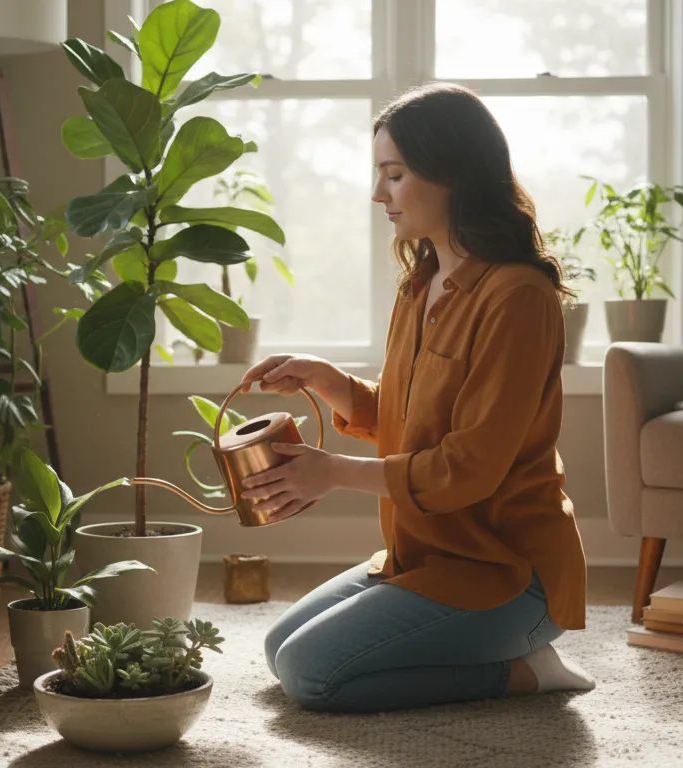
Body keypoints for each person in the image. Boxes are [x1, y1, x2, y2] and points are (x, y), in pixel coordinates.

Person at [238, 83, 595, 713]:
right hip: (426, 556)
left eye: (395, 175)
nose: (379, 194)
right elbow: (411, 419)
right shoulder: (421, 282)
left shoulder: (518, 297)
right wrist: (326, 379)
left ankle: (526, 671)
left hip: (508, 574)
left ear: (453, 173)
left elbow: (468, 467)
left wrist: (331, 472)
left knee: (311, 674)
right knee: (278, 648)